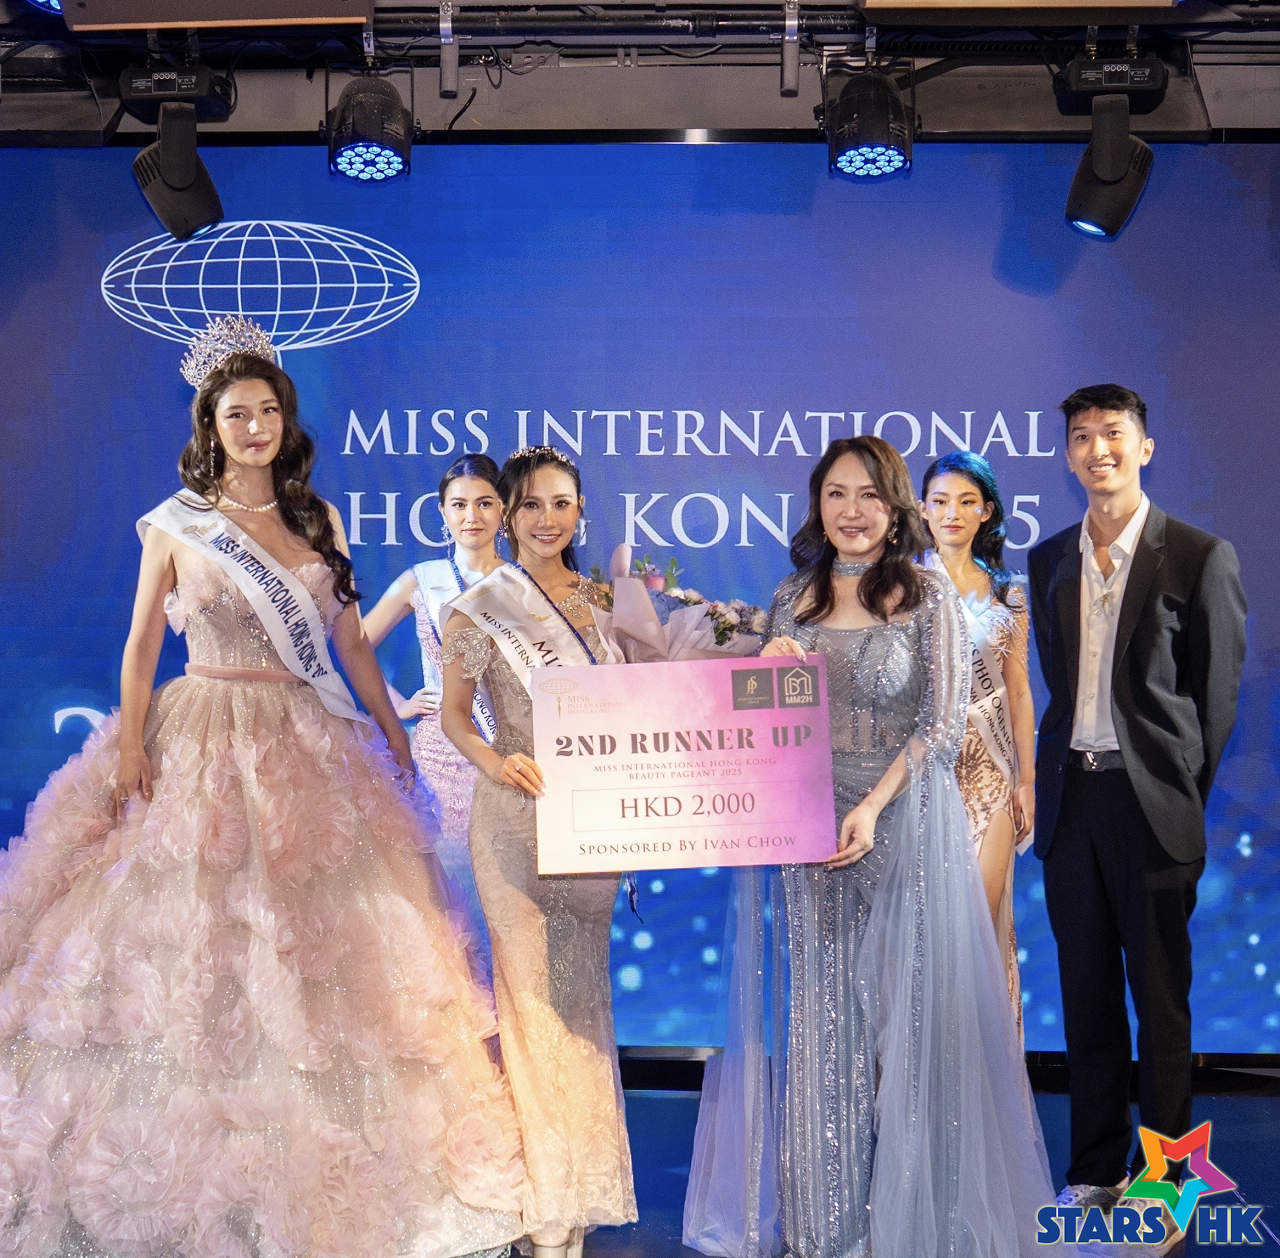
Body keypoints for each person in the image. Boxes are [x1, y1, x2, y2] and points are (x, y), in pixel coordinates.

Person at [0, 317, 525, 1258]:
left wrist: (389, 730)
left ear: (288, 421)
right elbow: (141, 643)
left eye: (268, 411)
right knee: (190, 931)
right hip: (201, 729)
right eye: (236, 414)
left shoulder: (316, 518)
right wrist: (129, 745)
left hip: (304, 737)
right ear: (210, 425)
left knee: (323, 943)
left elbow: (350, 643)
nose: (254, 428)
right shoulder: (176, 523)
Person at [684, 436, 1058, 1258]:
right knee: (823, 1026)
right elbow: (763, 724)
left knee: (917, 1024)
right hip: (810, 828)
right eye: (835, 494)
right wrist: (763, 671)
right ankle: (826, 1229)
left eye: (868, 496)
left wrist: (873, 807)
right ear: (816, 505)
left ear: (895, 508)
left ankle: (925, 1225)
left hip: (905, 822)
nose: (850, 512)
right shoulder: (791, 597)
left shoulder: (927, 594)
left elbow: (941, 723)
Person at [1029, 384, 1246, 1241]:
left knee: (1161, 1006)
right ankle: (1094, 1171)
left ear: (1144, 447)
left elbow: (1214, 703)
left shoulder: (1197, 555)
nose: (1098, 450)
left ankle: (1166, 1184)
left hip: (1151, 807)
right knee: (1086, 1001)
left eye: (1113, 434)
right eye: (1081, 437)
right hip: (1072, 803)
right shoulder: (1049, 559)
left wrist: (1175, 790)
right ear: (1068, 455)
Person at [440, 446, 637, 1258]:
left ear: (581, 511)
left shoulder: (608, 605)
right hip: (514, 823)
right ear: (506, 515)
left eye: (562, 504)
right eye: (530, 506)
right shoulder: (480, 608)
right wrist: (497, 763)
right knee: (529, 1008)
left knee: (581, 1005)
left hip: (591, 823)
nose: (547, 520)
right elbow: (455, 717)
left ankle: (581, 1188)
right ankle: (547, 1202)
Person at [362, 453, 506, 969]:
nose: (472, 516)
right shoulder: (421, 579)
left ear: (504, 509)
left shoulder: (522, 581)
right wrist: (398, 703)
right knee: (448, 900)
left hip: (504, 753)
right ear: (442, 512)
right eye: (459, 505)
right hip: (439, 758)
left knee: (504, 896)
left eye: (485, 503)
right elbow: (356, 643)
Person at [920, 450, 1035, 1028]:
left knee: (979, 930)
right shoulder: (904, 587)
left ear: (986, 512)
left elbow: (1018, 691)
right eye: (940, 501)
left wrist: (1027, 781)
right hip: (923, 774)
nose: (952, 513)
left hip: (991, 772)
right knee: (929, 932)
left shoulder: (1009, 592)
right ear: (921, 509)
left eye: (967, 502)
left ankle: (981, 1059)